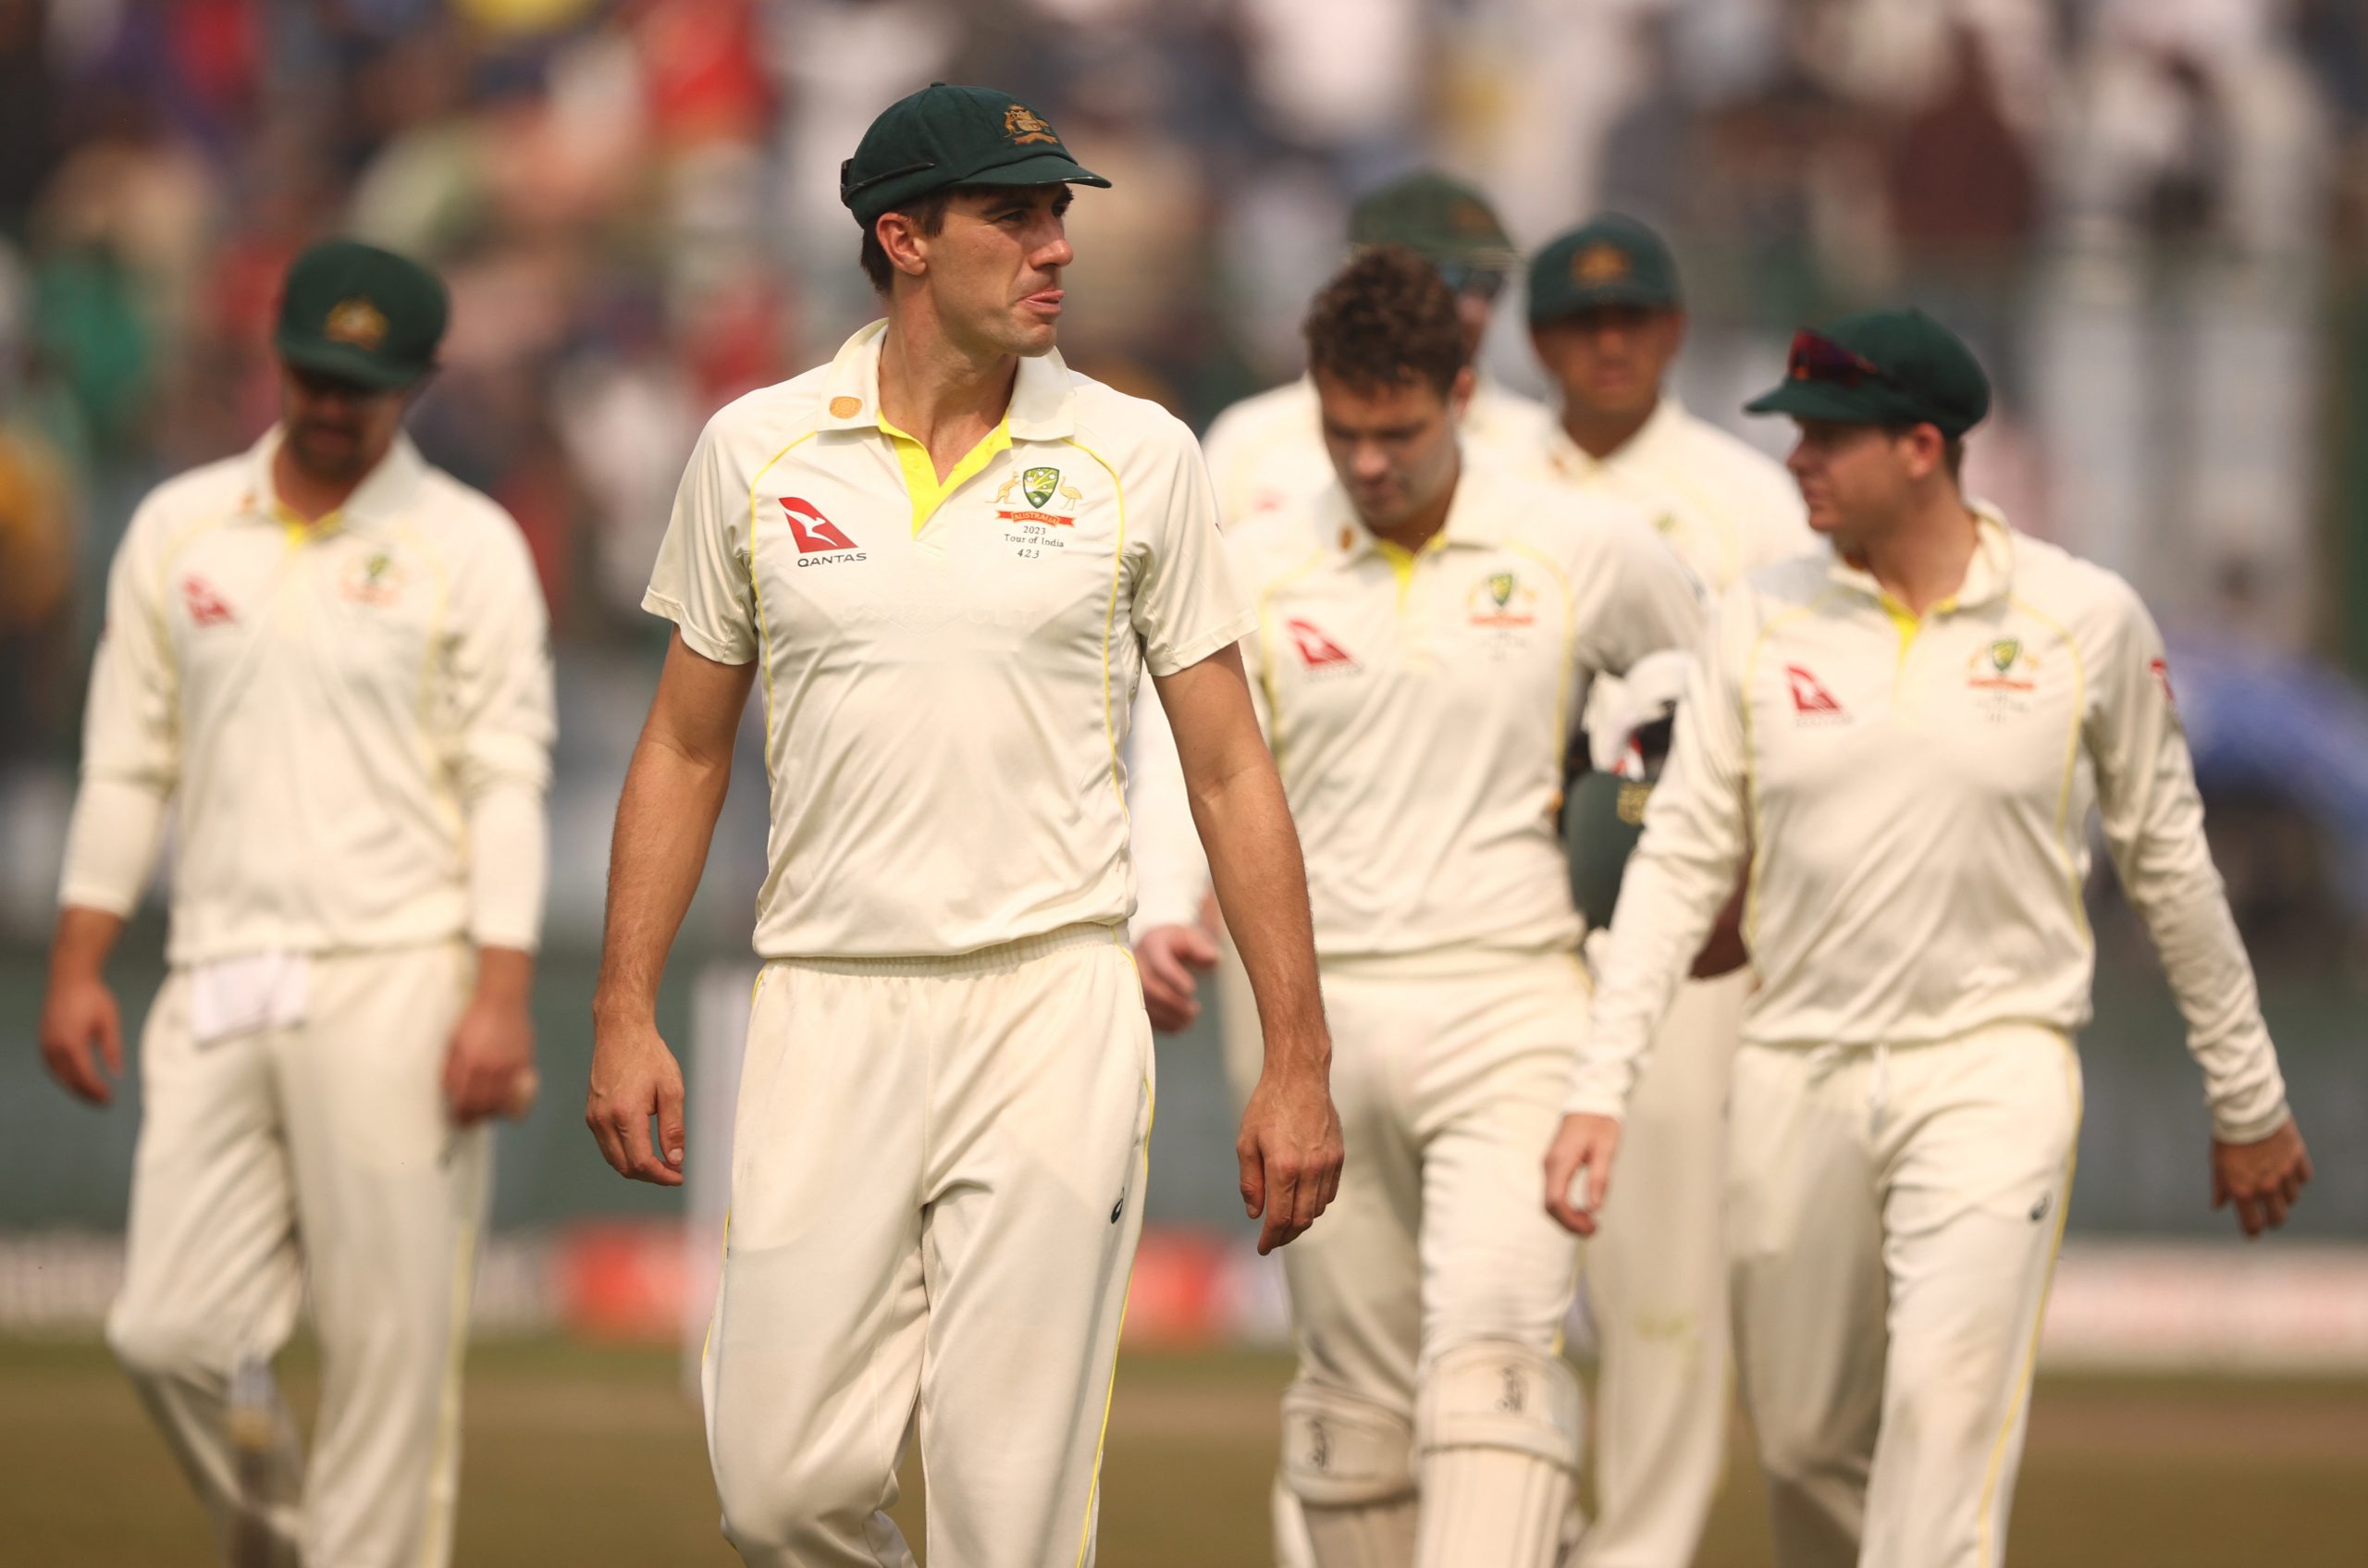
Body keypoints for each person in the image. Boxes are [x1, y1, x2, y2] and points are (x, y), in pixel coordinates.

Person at [583, 83, 1343, 1568]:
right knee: (780, 1490)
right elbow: (682, 744)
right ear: (903, 237)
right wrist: (623, 1006)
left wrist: (1297, 1056)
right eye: (1016, 212)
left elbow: (1233, 769)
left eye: (1060, 210)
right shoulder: (755, 449)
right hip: (825, 999)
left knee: (1010, 1521)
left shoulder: (1141, 455)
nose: (1056, 244)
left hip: (1051, 1005)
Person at [1545, 309, 2312, 1568]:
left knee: (1942, 1421)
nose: (1796, 461)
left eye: (1826, 438)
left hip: (1993, 1063)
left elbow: (2173, 868)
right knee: (1800, 1438)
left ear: (1920, 447)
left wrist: (2248, 1092)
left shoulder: (2086, 620)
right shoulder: (1761, 617)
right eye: (1792, 434)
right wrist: (1600, 1088)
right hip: (1796, 1062)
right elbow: (1681, 866)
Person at [1133, 245, 1702, 1567]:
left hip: (1517, 990)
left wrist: (1683, 845)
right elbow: (1188, 756)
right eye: (1342, 430)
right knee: (1351, 1405)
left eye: (1398, 431)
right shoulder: (1257, 561)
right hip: (1310, 1019)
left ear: (1461, 391)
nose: (1370, 461)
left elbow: (1707, 701)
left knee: (1496, 1361)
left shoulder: (1582, 544)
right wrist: (1163, 899)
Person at [36, 239, 554, 1568]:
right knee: (168, 1328)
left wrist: (501, 995)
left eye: (363, 384)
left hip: (400, 970)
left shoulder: (469, 546)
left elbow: (507, 779)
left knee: (391, 1351)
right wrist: (80, 956)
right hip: (216, 962)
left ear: (420, 383)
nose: (333, 404)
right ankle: (285, 1536)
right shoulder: (177, 526)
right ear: (277, 359)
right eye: (316, 374)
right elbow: (127, 753)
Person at [1523, 213, 1808, 1568]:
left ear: (1677, 327)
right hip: (1510, 920)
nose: (1612, 340)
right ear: (1535, 342)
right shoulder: (1483, 478)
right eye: (1583, 322)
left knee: (1663, 1290)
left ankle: (1634, 1549)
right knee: (1489, 1285)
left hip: (1688, 935)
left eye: (1634, 314)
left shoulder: (1748, 498)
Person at [1199, 170, 1556, 534]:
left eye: (1490, 283)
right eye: (1448, 277)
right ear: (1358, 276)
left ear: (1460, 396)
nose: (1474, 309)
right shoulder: (1249, 443)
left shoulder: (1546, 447)